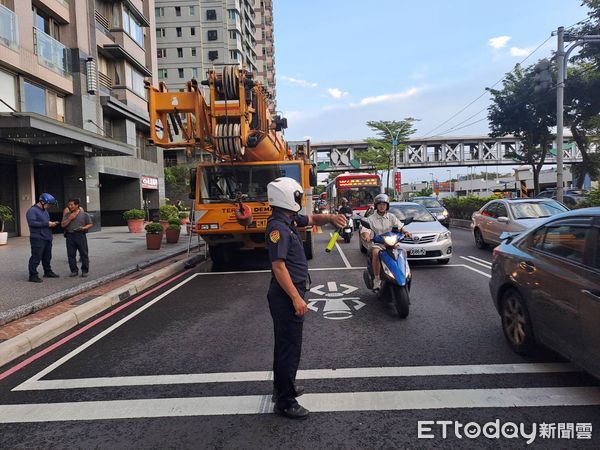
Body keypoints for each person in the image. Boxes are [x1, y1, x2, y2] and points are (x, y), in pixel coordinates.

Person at [265, 177, 345, 420]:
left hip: (290, 292)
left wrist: (330, 218)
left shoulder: (287, 219)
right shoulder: (278, 228)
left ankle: (283, 389)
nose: (300, 201)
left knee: (286, 346)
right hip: (286, 294)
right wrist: (296, 299)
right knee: (289, 348)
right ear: (287, 198)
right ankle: (285, 402)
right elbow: (278, 267)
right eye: (298, 197)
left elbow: (310, 219)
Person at [360, 193, 411, 291]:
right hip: (378, 244)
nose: (382, 206)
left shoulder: (391, 217)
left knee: (403, 251)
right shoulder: (371, 219)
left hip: (391, 243)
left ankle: (404, 274)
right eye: (379, 204)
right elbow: (366, 230)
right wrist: (366, 236)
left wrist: (406, 232)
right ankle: (377, 279)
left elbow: (400, 227)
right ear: (376, 206)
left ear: (387, 206)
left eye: (384, 204)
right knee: (376, 253)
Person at [26, 193, 60, 283]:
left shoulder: (44, 210)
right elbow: (32, 223)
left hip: (47, 237)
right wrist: (47, 224)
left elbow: (44, 222)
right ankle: (33, 275)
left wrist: (51, 223)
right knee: (36, 257)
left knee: (47, 257)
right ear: (42, 202)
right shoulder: (32, 211)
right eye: (48, 204)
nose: (48, 206)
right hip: (37, 237)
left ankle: (47, 271)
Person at [61, 198, 93, 277]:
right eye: (69, 205)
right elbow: (62, 225)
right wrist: (70, 218)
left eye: (72, 205)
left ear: (77, 205)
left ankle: (84, 271)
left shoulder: (84, 214)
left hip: (80, 235)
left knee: (83, 254)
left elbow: (90, 224)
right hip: (70, 236)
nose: (70, 206)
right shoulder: (67, 215)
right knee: (71, 254)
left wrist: (83, 228)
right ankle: (74, 271)